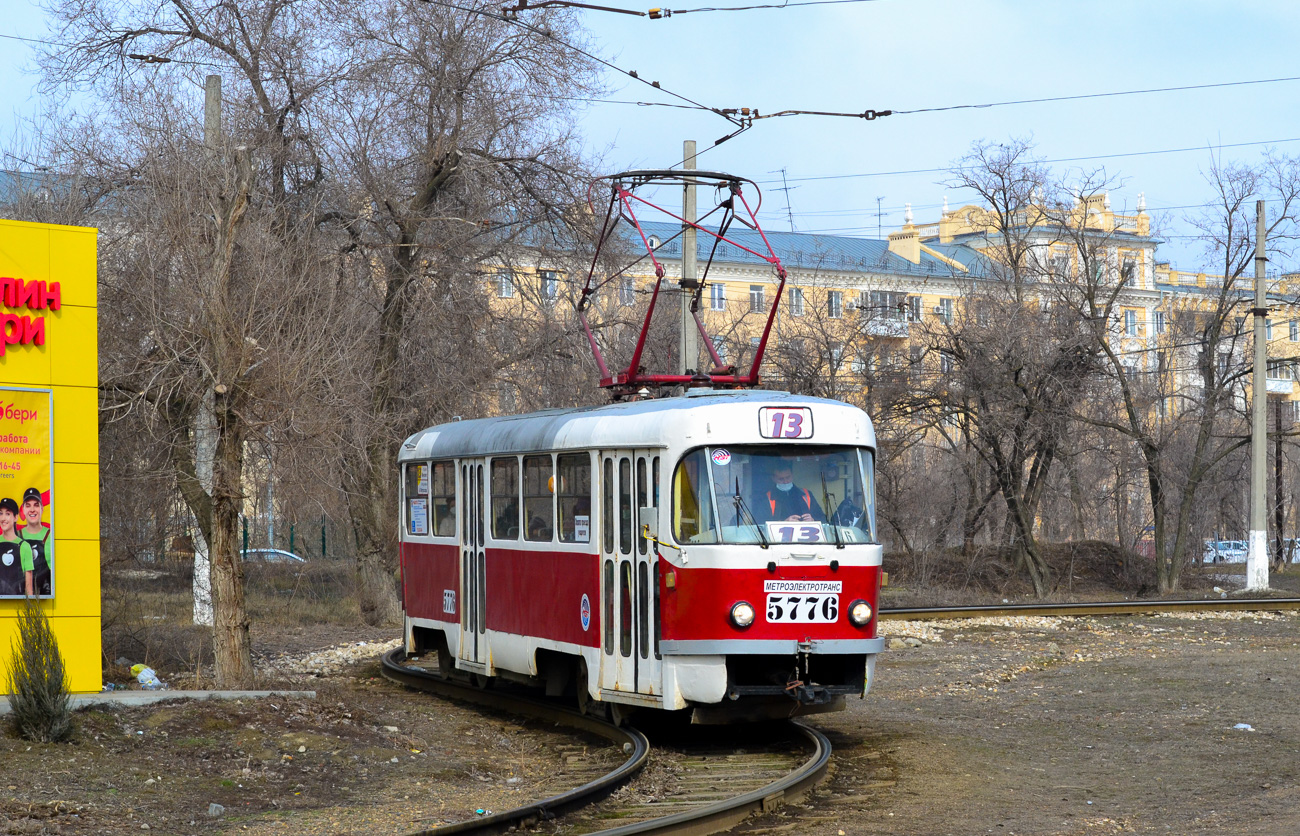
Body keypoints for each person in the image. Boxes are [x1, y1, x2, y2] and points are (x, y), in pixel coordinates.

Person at [758, 463, 826, 523]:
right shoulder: (767, 498)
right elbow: (761, 523)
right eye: (781, 479)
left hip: (807, 535)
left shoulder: (806, 494)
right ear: (773, 478)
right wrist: (784, 523)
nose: (785, 481)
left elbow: (823, 519)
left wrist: (813, 520)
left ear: (792, 475)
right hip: (779, 536)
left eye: (788, 477)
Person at [19, 487, 50, 596]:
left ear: (42, 508)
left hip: (45, 596)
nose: (32, 509)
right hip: (20, 596)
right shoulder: (16, 536)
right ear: (23, 509)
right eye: (28, 505)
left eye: (36, 505)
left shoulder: (51, 535)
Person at [0, 498, 34, 597]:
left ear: (15, 517)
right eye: (0, 513)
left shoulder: (24, 546)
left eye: (8, 514)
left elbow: (29, 588)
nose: (3, 518)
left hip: (16, 604)